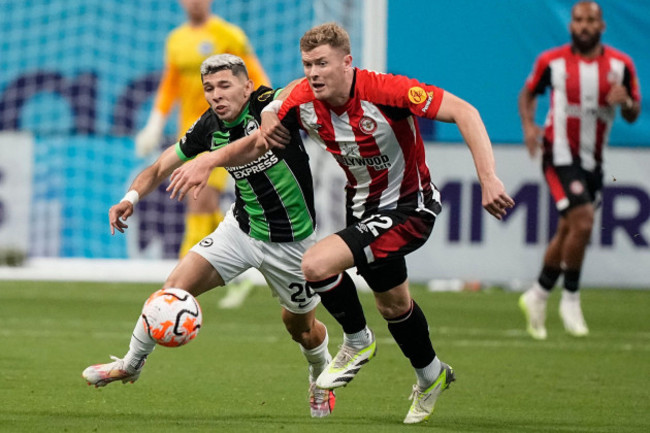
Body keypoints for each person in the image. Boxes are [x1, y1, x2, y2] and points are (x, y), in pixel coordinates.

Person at [172, 23, 515, 424]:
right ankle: (432, 375)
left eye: (322, 63)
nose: (313, 73)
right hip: (363, 208)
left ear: (347, 62)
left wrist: (488, 178)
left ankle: (356, 340)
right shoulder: (302, 98)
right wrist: (252, 124)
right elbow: (268, 120)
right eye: (307, 65)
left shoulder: (387, 90)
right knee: (394, 305)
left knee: (316, 264)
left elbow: (465, 112)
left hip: (408, 206)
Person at [83, 54, 336, 418]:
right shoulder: (207, 127)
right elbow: (158, 167)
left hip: (292, 244)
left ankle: (319, 375)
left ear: (247, 86)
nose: (216, 95)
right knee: (171, 289)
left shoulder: (270, 107)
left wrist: (210, 160)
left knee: (301, 328)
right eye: (208, 89)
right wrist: (129, 197)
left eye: (225, 85)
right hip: (241, 230)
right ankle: (130, 363)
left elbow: (261, 141)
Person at [518, 1, 641, 340]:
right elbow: (528, 94)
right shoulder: (552, 61)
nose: (584, 26)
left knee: (570, 229)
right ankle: (570, 298)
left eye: (591, 20)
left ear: (601, 26)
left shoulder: (621, 65)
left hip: (594, 162)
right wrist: (529, 126)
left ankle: (538, 294)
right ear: (571, 26)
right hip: (558, 154)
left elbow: (633, 111)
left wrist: (627, 102)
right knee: (584, 221)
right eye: (578, 20)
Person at [136, 0, 271, 308]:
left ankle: (181, 283)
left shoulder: (228, 34)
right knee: (199, 200)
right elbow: (170, 85)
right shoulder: (176, 40)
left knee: (200, 198)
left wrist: (267, 114)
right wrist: (154, 124)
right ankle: (238, 274)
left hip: (229, 133)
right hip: (194, 136)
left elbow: (257, 78)